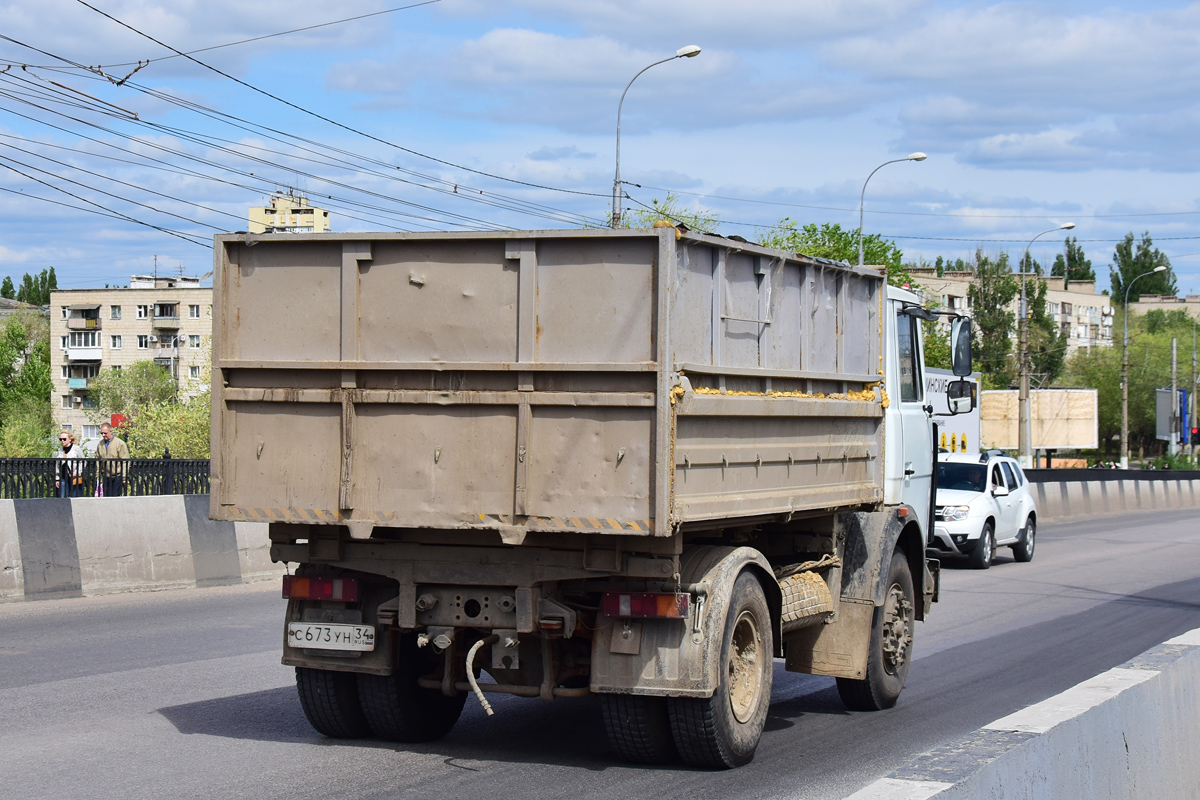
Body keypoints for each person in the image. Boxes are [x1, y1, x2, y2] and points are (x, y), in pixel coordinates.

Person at [95, 422, 130, 497]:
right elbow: (98, 460)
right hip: (106, 475)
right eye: (102, 433)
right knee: (106, 496)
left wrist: (124, 477)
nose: (103, 435)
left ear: (110, 431)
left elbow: (125, 461)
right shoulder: (100, 444)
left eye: (105, 433)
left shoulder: (120, 443)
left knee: (115, 497)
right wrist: (98, 476)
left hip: (117, 475)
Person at [55, 431, 85, 498]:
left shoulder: (76, 448)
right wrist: (57, 478)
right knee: (63, 498)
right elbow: (57, 465)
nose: (62, 441)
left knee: (76, 497)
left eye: (64, 439)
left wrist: (78, 472)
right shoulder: (60, 450)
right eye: (61, 439)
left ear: (69, 439)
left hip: (74, 476)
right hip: (63, 476)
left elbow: (83, 461)